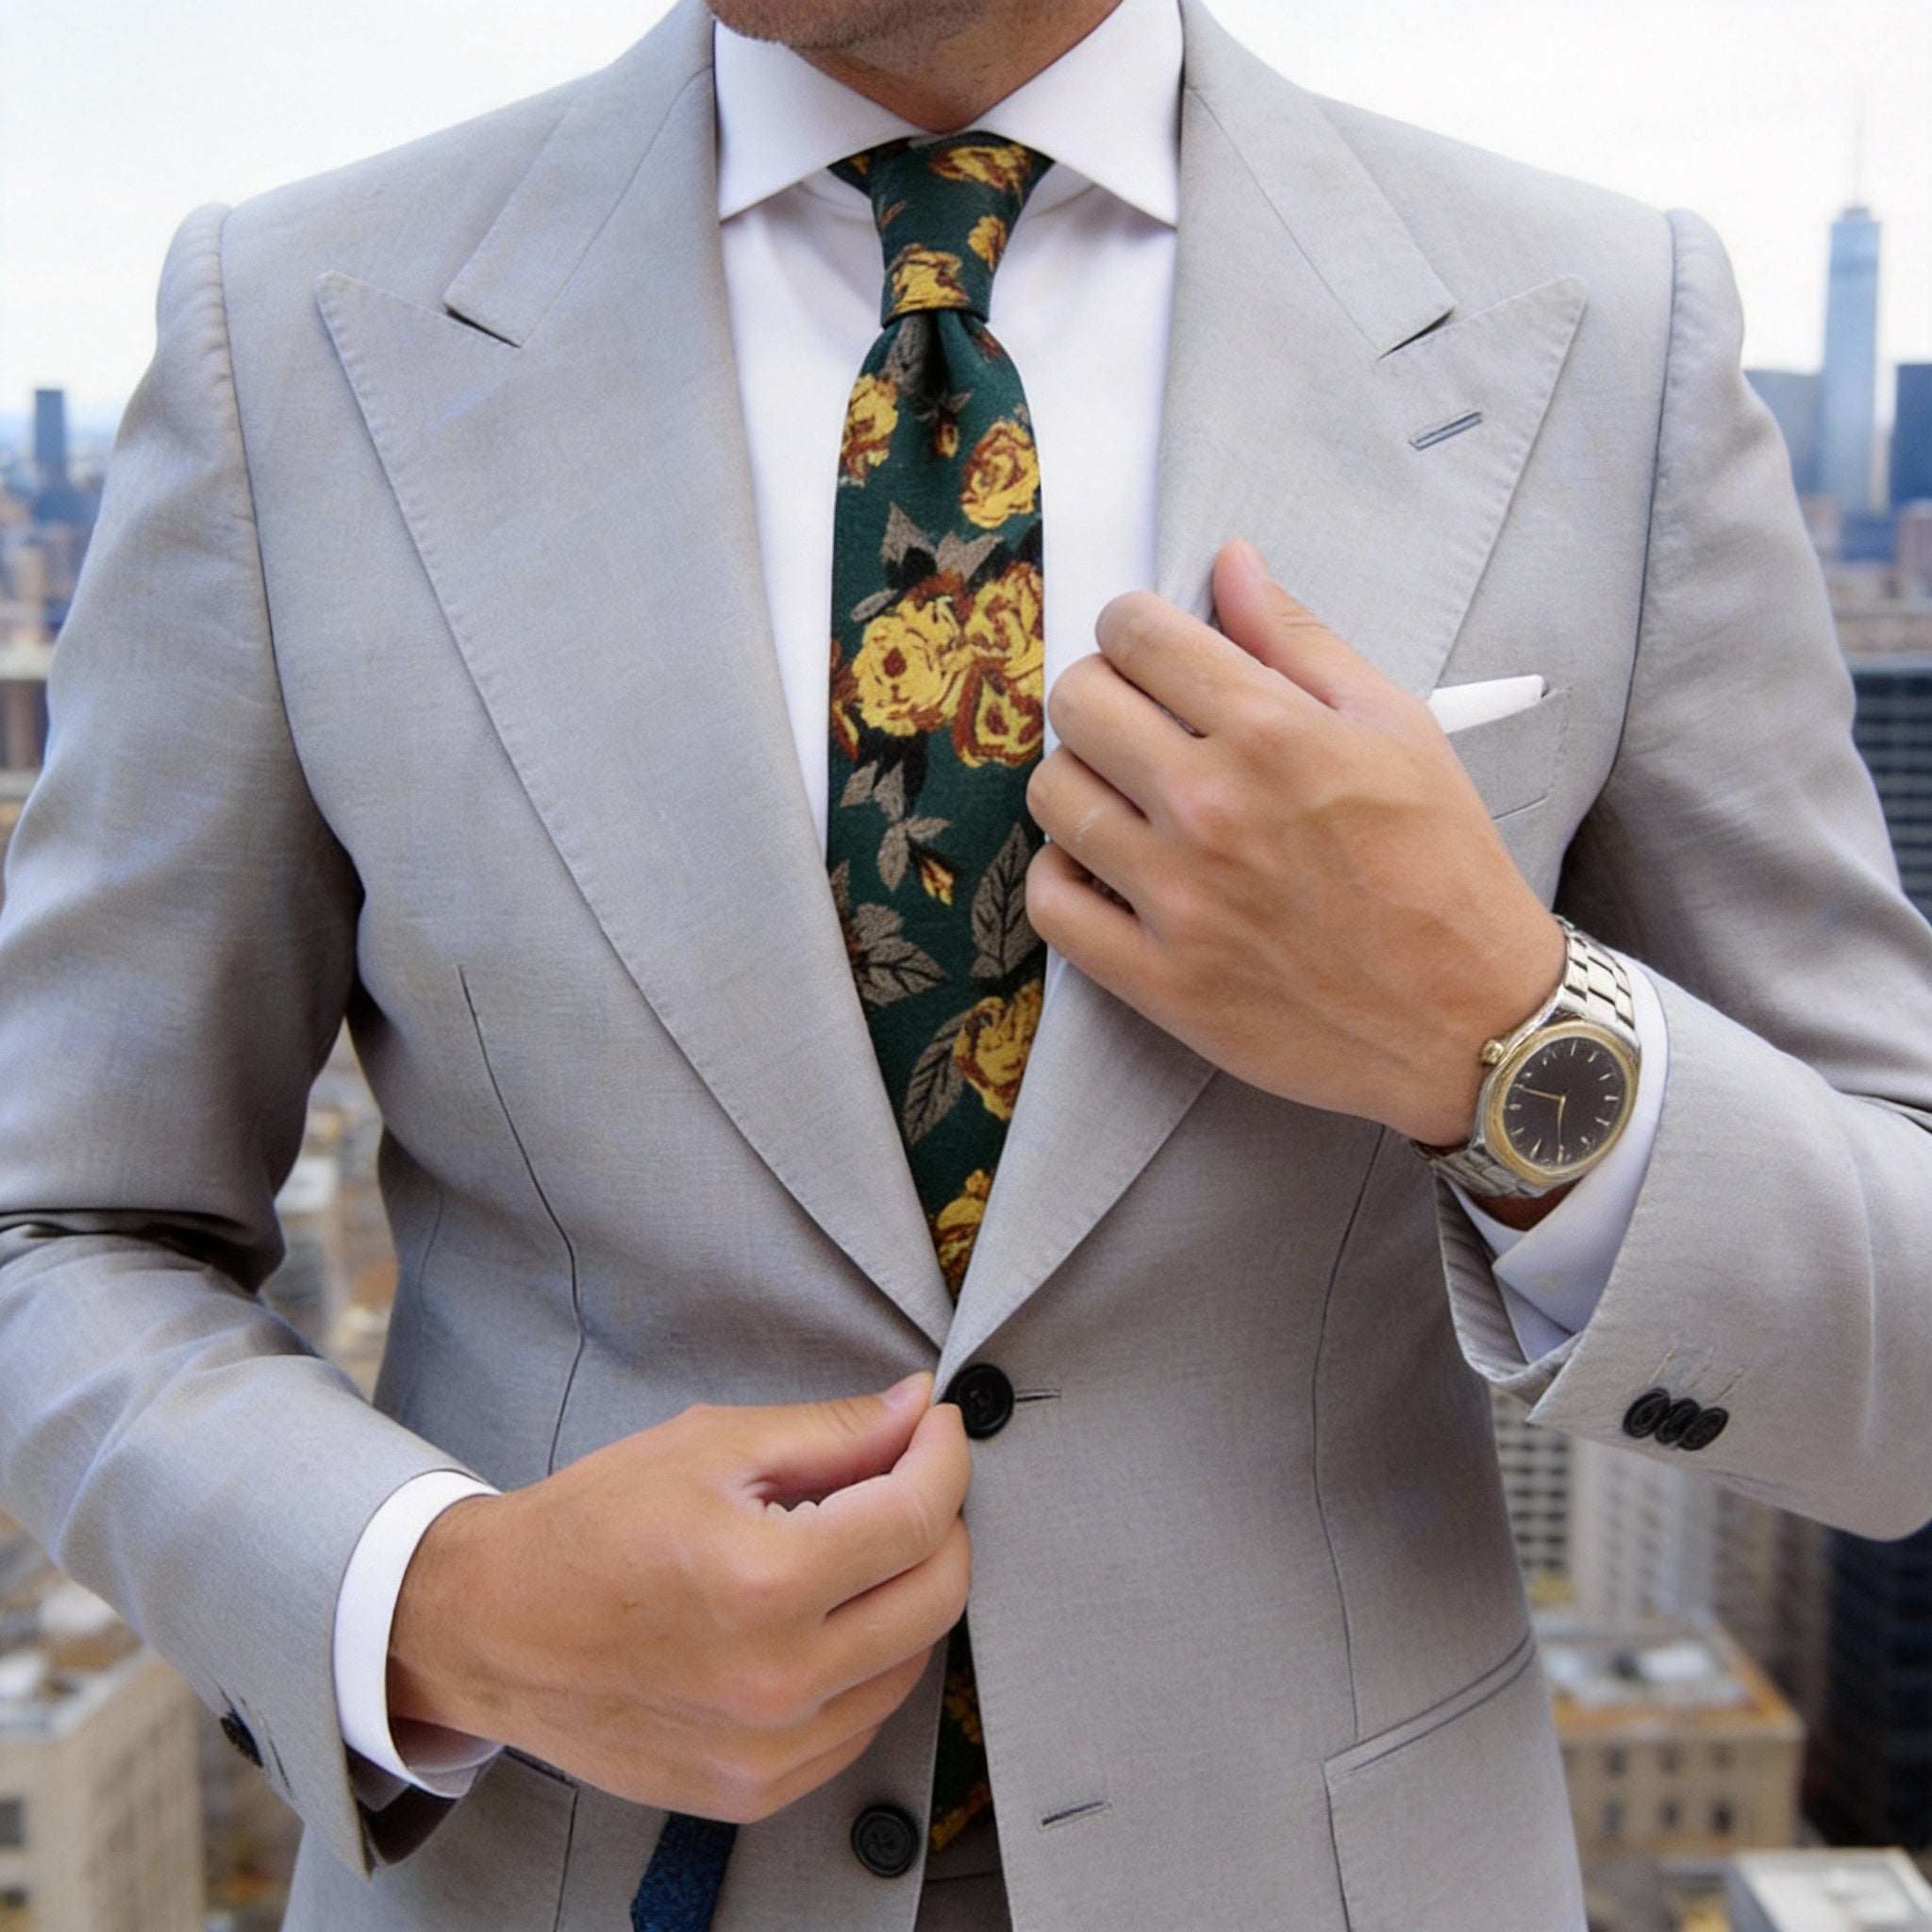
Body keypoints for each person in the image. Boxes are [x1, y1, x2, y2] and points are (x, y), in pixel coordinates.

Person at [2, 0, 1930, 1925]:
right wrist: (439, 1604)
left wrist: (1501, 1039)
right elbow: (58, 1229)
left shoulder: (1605, 330)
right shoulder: (293, 330)